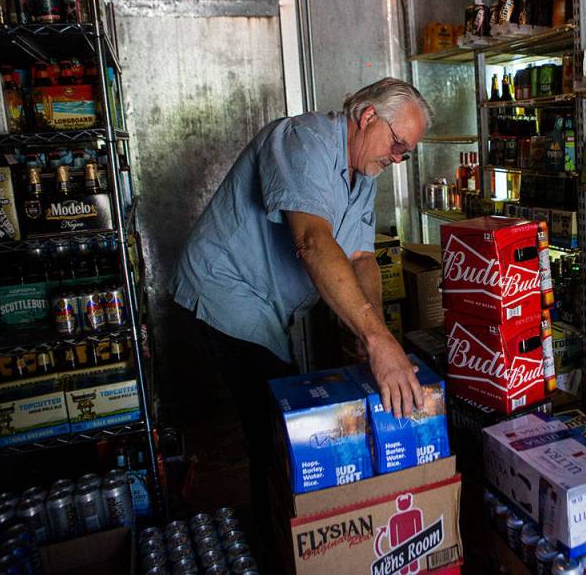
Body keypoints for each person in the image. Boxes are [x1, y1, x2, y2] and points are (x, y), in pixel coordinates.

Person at [171, 77, 431, 546]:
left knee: (283, 419)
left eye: (406, 154)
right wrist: (377, 342)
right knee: (278, 432)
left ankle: (294, 537)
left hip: (267, 308)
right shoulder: (303, 139)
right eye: (397, 145)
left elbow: (361, 258)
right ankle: (283, 549)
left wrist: (373, 329)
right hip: (226, 290)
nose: (397, 159)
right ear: (368, 116)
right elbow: (312, 241)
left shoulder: (363, 174)